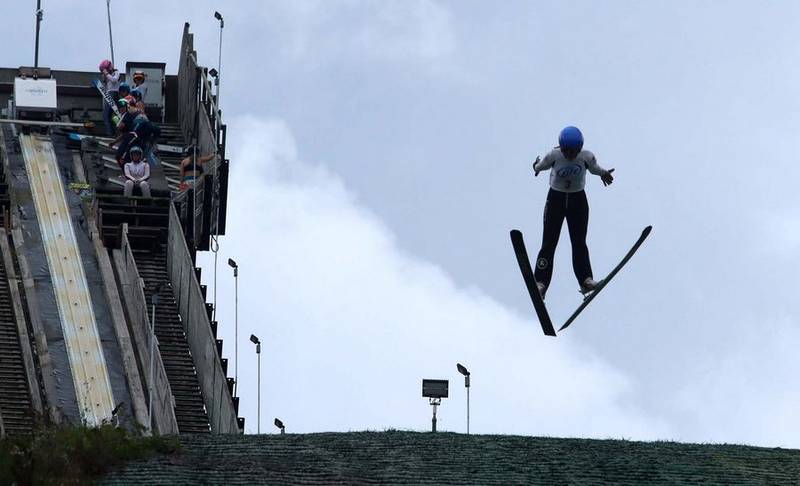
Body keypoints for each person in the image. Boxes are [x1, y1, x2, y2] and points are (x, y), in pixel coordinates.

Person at [531, 126, 614, 298]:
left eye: (573, 151)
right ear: (560, 147)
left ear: (579, 149)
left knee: (579, 243)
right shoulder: (553, 156)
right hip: (556, 200)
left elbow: (594, 168)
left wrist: (604, 173)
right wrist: (536, 167)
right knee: (549, 243)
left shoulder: (586, 156)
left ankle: (586, 280)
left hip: (578, 201)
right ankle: (540, 283)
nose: (569, 155)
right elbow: (540, 166)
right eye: (566, 151)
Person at [99, 59, 120, 136]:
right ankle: (113, 132)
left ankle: (110, 133)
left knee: (106, 115)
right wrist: (104, 77)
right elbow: (106, 85)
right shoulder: (108, 76)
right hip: (109, 94)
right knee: (108, 115)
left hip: (114, 93)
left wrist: (106, 74)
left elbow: (114, 80)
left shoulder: (116, 72)